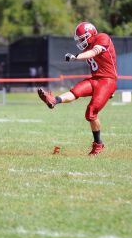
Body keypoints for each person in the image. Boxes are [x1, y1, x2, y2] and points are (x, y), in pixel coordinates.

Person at [37, 21, 118, 155]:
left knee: (91, 113)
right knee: (76, 90)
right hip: (96, 79)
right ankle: (53, 100)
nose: (81, 41)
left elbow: (94, 52)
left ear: (90, 34)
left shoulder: (102, 38)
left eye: (82, 38)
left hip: (107, 81)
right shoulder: (87, 47)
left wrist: (76, 57)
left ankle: (98, 144)